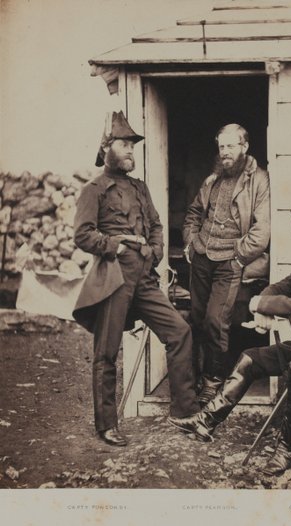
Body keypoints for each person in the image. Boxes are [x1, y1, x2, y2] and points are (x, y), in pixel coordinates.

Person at [169, 205, 291, 475]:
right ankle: (206, 421)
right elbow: (277, 288)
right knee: (250, 358)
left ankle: (286, 451)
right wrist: (262, 306)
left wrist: (262, 304)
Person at [73, 111, 200, 446]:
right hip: (114, 277)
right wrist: (115, 246)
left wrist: (155, 251)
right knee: (106, 352)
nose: (130, 150)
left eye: (132, 144)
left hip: (144, 277)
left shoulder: (140, 188)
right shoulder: (94, 190)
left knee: (180, 331)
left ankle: (184, 411)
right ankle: (106, 424)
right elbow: (83, 234)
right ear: (106, 148)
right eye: (124, 144)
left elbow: (156, 225)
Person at [182, 123, 271, 405]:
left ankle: (213, 381)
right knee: (198, 320)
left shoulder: (259, 180)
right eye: (221, 147)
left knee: (216, 321)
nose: (225, 152)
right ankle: (196, 377)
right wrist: (191, 242)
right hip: (202, 257)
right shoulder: (213, 179)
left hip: (230, 262)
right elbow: (194, 213)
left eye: (231, 146)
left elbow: (262, 231)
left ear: (245, 147)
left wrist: (238, 257)